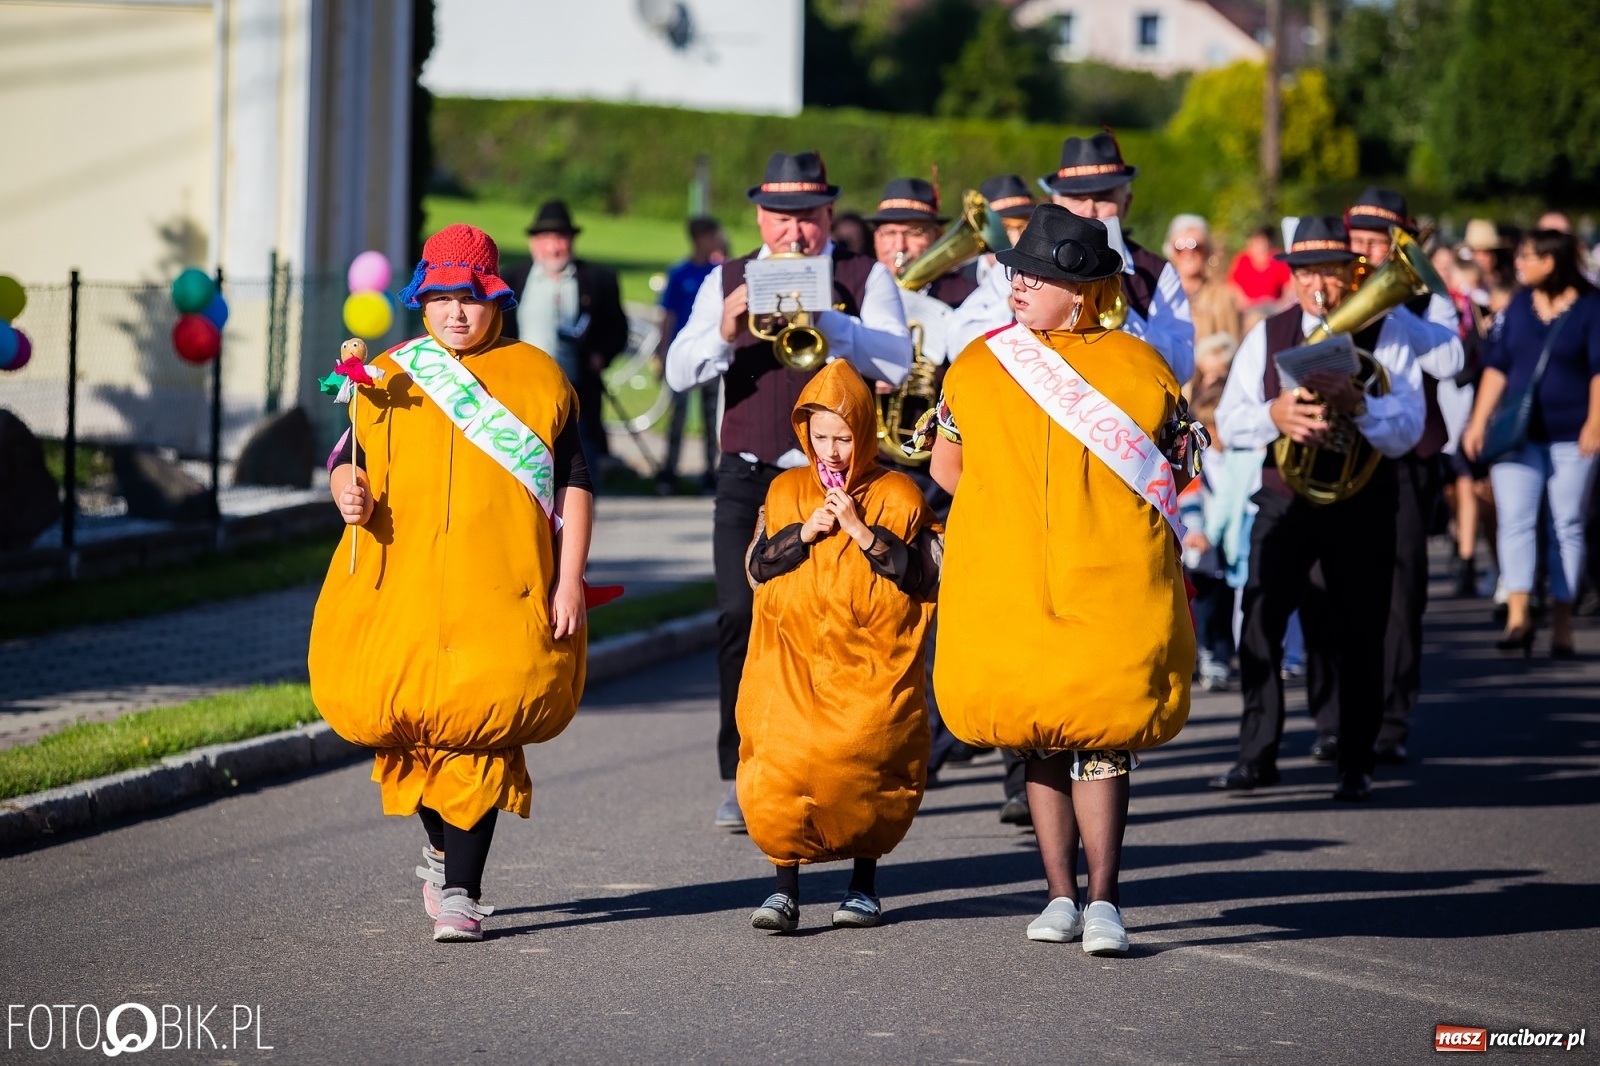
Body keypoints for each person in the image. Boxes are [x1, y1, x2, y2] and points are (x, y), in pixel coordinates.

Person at [310, 223, 593, 942]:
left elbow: (577, 485)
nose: (454, 314)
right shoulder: (387, 375)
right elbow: (348, 459)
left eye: (468, 299)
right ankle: (439, 852)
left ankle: (463, 893)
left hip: (503, 593)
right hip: (401, 591)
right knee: (413, 737)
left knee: (483, 734)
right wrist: (348, 490)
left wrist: (572, 580)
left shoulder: (539, 378)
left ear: (495, 299)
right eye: (439, 300)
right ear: (421, 301)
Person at [926, 205, 1196, 954]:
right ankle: (1064, 897)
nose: (1017, 284)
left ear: (1079, 292)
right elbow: (1180, 468)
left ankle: (1101, 901)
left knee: (1097, 734)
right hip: (1030, 579)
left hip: (1094, 580)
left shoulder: (1133, 368)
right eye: (1018, 271)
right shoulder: (983, 363)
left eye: (1035, 276)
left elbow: (948, 470)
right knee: (1038, 734)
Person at [665, 150, 912, 831]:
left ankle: (832, 767)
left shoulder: (864, 276)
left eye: (806, 219)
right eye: (780, 219)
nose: (794, 233)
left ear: (829, 215)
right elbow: (680, 372)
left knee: (835, 627)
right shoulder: (728, 277)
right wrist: (723, 327)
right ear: (760, 218)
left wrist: (832, 324)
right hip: (748, 473)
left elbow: (896, 359)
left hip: (834, 480)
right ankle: (740, 772)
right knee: (737, 617)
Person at [1211, 216, 1427, 802]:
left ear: (1351, 274)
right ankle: (1256, 755)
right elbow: (1230, 420)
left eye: (1330, 274)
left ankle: (1356, 759)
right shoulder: (1269, 331)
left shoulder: (1392, 331)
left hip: (1362, 503)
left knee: (1359, 632)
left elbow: (1408, 430)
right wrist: (1274, 416)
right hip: (1286, 497)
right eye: (1307, 274)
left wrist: (1359, 406)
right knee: (1258, 625)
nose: (1320, 289)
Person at [739, 359, 940, 932]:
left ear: (865, 432)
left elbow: (920, 576)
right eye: (820, 436)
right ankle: (784, 888)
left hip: (870, 659)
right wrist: (803, 532)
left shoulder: (898, 493)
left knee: (865, 760)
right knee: (780, 763)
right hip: (789, 655)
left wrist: (859, 530)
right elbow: (757, 567)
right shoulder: (784, 490)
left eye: (843, 438)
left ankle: (863, 885)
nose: (831, 451)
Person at [1301, 187, 1463, 765]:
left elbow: (1450, 361)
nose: (1366, 252)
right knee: (1320, 588)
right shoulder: (1325, 290)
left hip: (1404, 461)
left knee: (1400, 593)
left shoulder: (1425, 301)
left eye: (1378, 243)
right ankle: (1331, 717)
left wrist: (1388, 302)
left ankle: (1390, 720)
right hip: (1333, 457)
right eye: (1360, 241)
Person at [1461, 228, 1600, 658]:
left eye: (1526, 257)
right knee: (1516, 521)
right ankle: (1519, 614)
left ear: (1551, 261)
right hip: (1517, 435)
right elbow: (1497, 365)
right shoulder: (1519, 306)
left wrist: (1595, 423)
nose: (1517, 264)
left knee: (1566, 526)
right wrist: (1479, 420)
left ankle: (1562, 621)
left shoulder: (1591, 308)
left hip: (1569, 435)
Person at [1043, 131, 1195, 383]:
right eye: (1077, 199)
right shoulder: (1029, 264)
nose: (1090, 210)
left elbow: (1182, 368)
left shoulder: (1158, 272)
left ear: (1126, 203)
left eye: (1104, 198)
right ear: (1055, 203)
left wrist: (1126, 316)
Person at [502, 200, 630, 478]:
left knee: (580, 471)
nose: (554, 247)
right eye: (547, 238)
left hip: (578, 393)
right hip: (524, 393)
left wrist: (600, 356)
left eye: (561, 238)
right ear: (533, 243)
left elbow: (618, 328)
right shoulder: (511, 280)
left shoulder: (598, 280)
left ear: (572, 241)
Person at [656, 216, 727, 495]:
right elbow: (668, 316)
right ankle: (669, 472)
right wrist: (662, 353)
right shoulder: (680, 273)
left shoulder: (718, 272)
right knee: (678, 417)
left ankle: (711, 471)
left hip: (710, 354)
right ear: (698, 239)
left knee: (712, 418)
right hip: (684, 355)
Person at [945, 173, 1037, 363]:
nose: (1018, 238)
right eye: (1006, 228)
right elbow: (956, 344)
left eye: (1025, 226)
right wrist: (1007, 305)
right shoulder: (955, 280)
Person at [1167, 214, 1242, 350]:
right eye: (1179, 247)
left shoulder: (1223, 296)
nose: (1188, 253)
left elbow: (1233, 347)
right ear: (1170, 252)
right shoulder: (1162, 295)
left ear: (1208, 250)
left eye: (1196, 247)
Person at [1228, 226, 1294, 329]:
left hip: (1274, 308)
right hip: (1249, 310)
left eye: (1261, 241)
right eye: (1256, 241)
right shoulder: (1242, 260)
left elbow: (1289, 286)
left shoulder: (1277, 260)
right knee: (1254, 320)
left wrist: (1282, 304)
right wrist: (1248, 303)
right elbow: (1233, 287)